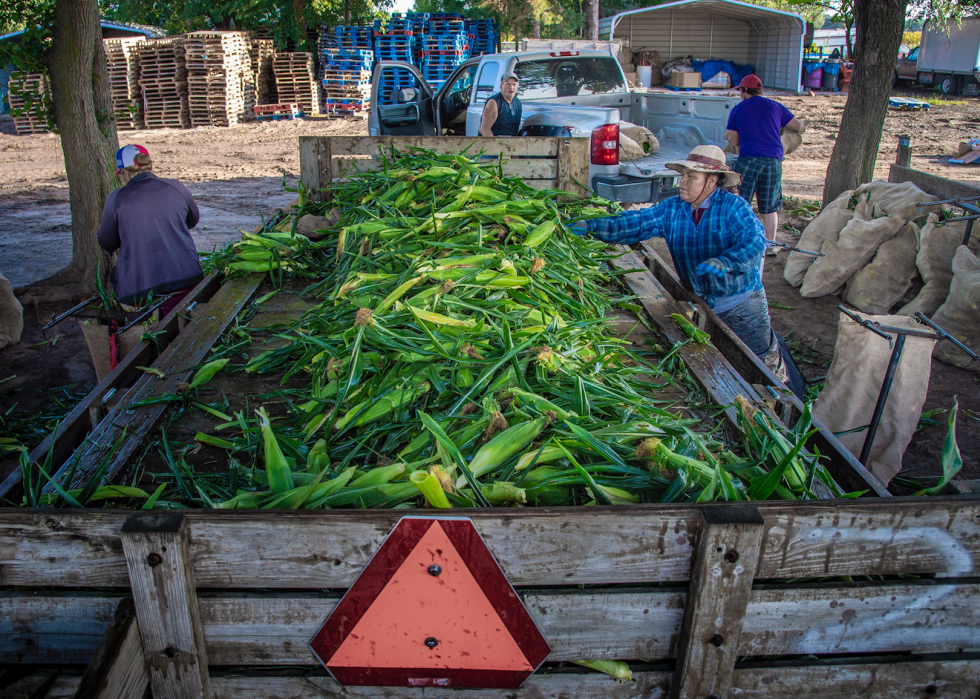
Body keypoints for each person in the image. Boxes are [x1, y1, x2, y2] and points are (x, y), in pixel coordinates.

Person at [576, 145, 783, 373]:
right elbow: (635, 222)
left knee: (758, 362)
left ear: (712, 181)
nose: (682, 181)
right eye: (682, 175)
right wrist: (591, 226)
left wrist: (728, 261)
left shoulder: (734, 208)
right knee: (714, 362)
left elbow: (754, 240)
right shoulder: (673, 209)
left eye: (691, 176)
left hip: (740, 304)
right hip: (699, 301)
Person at [98, 145, 204, 317]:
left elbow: (107, 242)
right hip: (188, 280)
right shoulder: (176, 187)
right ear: (150, 166)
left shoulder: (117, 198)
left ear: (124, 172)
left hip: (140, 291)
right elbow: (192, 221)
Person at [725, 74, 806, 256]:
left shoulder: (739, 109)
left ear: (745, 91)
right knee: (770, 206)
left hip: (749, 159)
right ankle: (770, 244)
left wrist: (731, 137)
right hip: (773, 161)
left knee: (742, 202)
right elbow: (799, 127)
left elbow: (735, 139)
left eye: (741, 91)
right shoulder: (776, 106)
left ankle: (742, 241)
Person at [479, 72, 522, 137]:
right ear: (501, 86)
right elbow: (484, 129)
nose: (511, 87)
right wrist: (496, 145)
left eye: (514, 84)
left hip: (511, 143)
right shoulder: (494, 102)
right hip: (493, 142)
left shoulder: (518, 103)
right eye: (508, 84)